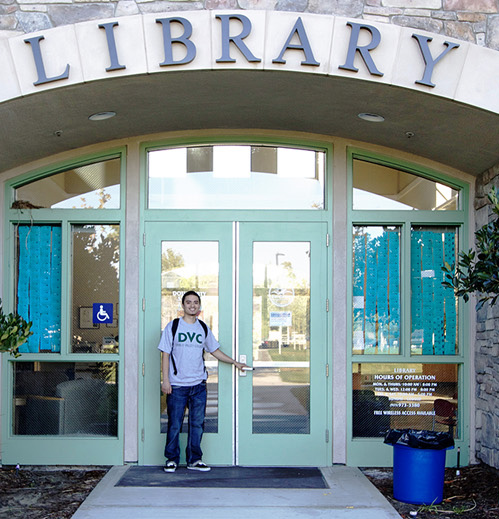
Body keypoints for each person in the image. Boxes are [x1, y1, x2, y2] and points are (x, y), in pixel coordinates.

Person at [158, 290, 248, 473]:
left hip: (198, 385)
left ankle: (194, 460)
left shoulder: (203, 328)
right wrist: (165, 380)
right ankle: (171, 459)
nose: (192, 305)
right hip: (177, 386)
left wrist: (235, 362)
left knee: (197, 424)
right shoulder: (173, 326)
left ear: (199, 306)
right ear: (183, 305)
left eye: (196, 302)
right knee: (175, 424)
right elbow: (165, 354)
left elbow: (215, 351)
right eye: (189, 302)